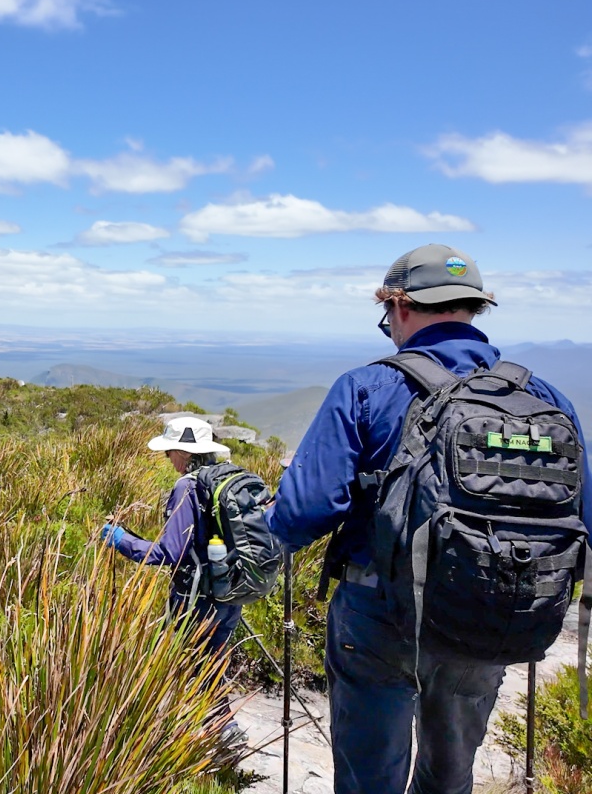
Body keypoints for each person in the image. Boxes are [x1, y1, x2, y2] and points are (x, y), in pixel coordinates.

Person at [266, 244, 591, 794]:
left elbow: (301, 515)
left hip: (379, 612)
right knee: (449, 775)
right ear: (472, 308)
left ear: (399, 306)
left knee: (372, 775)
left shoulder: (366, 388)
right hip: (490, 607)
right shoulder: (541, 396)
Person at [100, 416, 242, 655]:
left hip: (197, 599)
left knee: (184, 667)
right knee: (212, 665)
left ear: (185, 453)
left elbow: (169, 553)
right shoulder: (227, 477)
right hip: (231, 593)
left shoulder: (187, 486)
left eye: (170, 451)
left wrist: (120, 540)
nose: (167, 456)